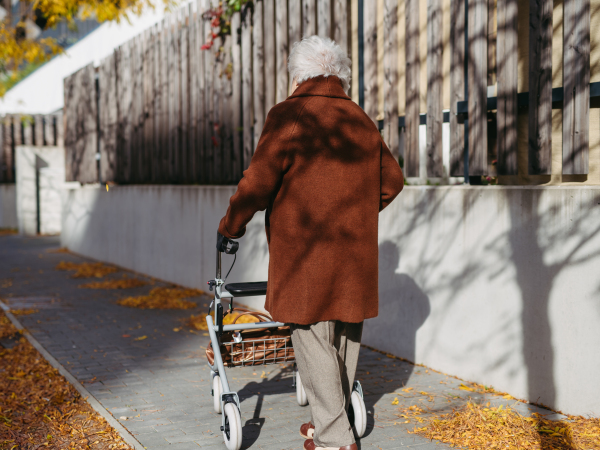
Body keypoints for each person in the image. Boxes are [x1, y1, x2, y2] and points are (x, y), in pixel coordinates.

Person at [217, 35, 404, 450]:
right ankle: (329, 424)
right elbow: (393, 181)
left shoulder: (290, 115)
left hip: (306, 254)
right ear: (341, 74)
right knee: (342, 337)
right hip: (354, 254)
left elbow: (257, 183)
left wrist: (231, 226)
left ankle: (337, 439)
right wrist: (357, 214)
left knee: (311, 334)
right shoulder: (359, 118)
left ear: (299, 74)